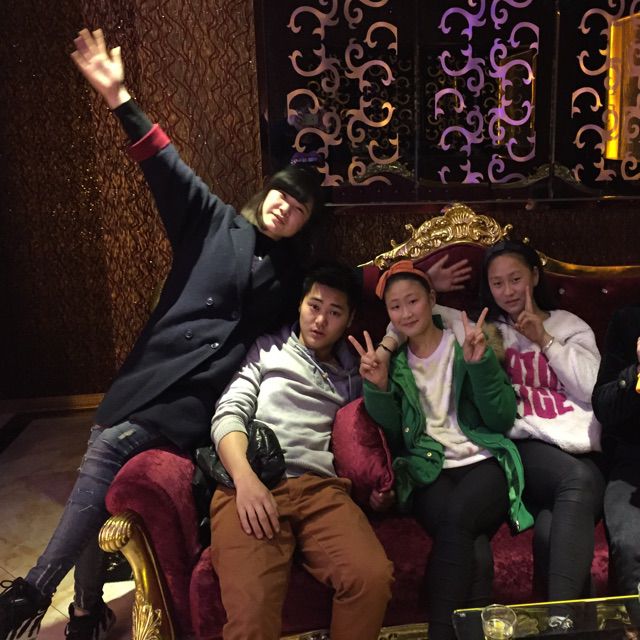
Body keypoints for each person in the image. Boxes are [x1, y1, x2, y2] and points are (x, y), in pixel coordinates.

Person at [0, 28, 325, 640]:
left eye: (300, 207)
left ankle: (35, 593)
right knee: (100, 478)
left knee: (105, 456)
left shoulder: (291, 279)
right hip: (146, 377)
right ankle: (81, 610)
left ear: (304, 224)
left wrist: (410, 279)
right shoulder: (214, 224)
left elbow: (334, 296)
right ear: (267, 193)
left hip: (191, 402)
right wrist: (118, 98)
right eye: (283, 192)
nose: (286, 205)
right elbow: (165, 166)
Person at [209, 262, 393, 640]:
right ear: (300, 304)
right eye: (314, 306)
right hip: (253, 478)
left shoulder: (354, 375)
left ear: (349, 320)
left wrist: (379, 386)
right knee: (251, 613)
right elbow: (228, 414)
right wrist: (244, 480)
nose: (320, 320)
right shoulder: (267, 349)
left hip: (320, 488)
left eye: (335, 312)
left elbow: (379, 432)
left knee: (371, 577)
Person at [349, 259, 532, 640]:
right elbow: (395, 435)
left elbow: (500, 418)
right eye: (395, 306)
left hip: (483, 461)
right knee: (472, 546)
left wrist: (481, 366)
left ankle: (439, 633)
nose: (406, 313)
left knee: (456, 522)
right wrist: (377, 387)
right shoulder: (395, 363)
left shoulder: (465, 344)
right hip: (430, 469)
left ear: (432, 299)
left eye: (413, 301)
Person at [479, 239, 605, 625]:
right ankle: (563, 622)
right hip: (528, 447)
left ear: (535, 275)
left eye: (515, 278)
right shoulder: (489, 333)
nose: (508, 291)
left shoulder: (568, 325)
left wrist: (545, 341)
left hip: (581, 447)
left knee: (552, 533)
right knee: (579, 480)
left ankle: (565, 626)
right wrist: (428, 280)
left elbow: (592, 389)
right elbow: (418, 311)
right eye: (497, 283)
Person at [592, 306, 640, 604]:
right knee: (630, 545)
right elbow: (603, 407)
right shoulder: (628, 321)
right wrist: (637, 375)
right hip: (632, 459)